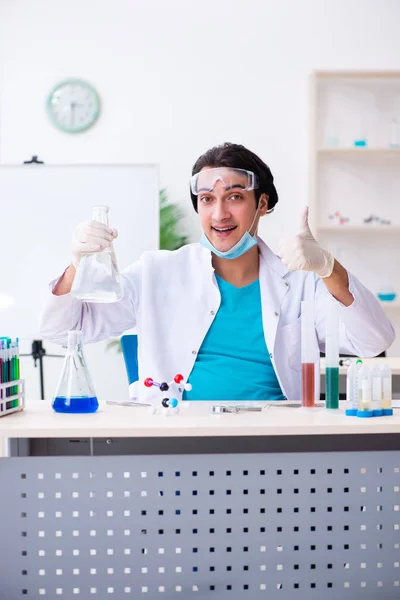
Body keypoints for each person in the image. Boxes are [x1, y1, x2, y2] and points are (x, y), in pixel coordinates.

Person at [39, 143, 395, 401]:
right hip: (180, 437)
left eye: (236, 197)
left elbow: (373, 340)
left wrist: (329, 268)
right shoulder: (157, 273)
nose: (219, 214)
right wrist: (77, 265)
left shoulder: (301, 282)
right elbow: (62, 331)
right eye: (207, 199)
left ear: (263, 204)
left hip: (279, 438)